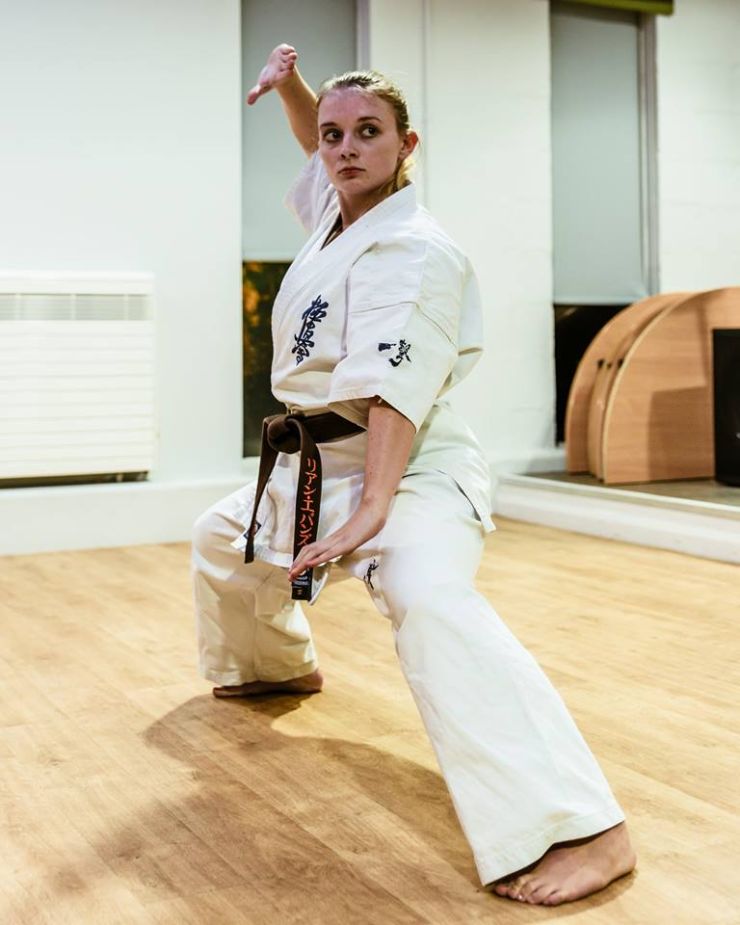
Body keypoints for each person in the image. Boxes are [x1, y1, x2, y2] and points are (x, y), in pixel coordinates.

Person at [192, 43, 636, 907]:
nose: (344, 148)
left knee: (426, 597)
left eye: (368, 134)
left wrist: (376, 513)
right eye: (332, 136)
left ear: (408, 145)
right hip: (323, 461)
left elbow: (394, 389)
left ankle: (582, 823)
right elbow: (318, 142)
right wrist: (294, 89)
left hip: (414, 464)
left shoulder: (415, 252)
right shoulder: (342, 208)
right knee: (222, 538)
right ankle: (274, 665)